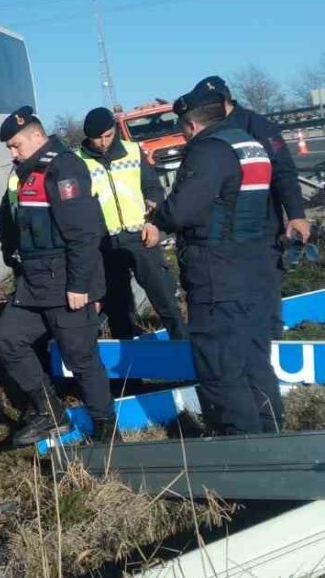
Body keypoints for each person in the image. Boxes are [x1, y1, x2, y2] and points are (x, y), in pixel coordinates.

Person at [144, 87, 283, 434]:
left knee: (219, 362)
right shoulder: (249, 144)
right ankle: (271, 431)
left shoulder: (208, 151)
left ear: (191, 124)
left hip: (216, 271)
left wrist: (158, 217)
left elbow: (184, 208)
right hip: (253, 265)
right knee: (254, 357)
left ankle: (241, 443)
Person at [0, 106, 115, 445]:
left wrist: (79, 285)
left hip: (66, 282)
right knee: (7, 339)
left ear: (36, 136)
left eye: (16, 145)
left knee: (81, 358)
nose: (12, 153)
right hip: (33, 283)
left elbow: (83, 235)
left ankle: (106, 430)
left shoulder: (64, 168)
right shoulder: (25, 173)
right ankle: (50, 412)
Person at [193, 76, 310, 340]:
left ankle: (269, 351)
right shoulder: (209, 131)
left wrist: (296, 214)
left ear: (225, 100)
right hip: (223, 231)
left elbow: (284, 172)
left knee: (265, 292)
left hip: (261, 226)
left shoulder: (257, 126)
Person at [77, 107, 186, 339]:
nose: (103, 142)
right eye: (97, 138)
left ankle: (186, 356)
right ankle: (129, 371)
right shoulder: (78, 161)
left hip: (141, 237)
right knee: (118, 308)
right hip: (104, 244)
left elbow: (153, 188)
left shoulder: (133, 151)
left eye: (108, 135)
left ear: (114, 130)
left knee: (165, 299)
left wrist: (153, 221)